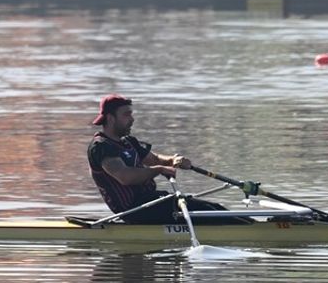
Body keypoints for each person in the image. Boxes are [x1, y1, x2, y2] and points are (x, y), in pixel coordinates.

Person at [87, 94, 246, 224]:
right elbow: (125, 177)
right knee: (208, 213)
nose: (132, 119)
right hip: (135, 210)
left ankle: (252, 226)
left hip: (151, 202)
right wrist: (159, 170)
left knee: (215, 208)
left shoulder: (128, 142)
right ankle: (245, 232)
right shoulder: (101, 147)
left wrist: (173, 160)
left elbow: (154, 159)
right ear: (110, 118)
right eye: (126, 114)